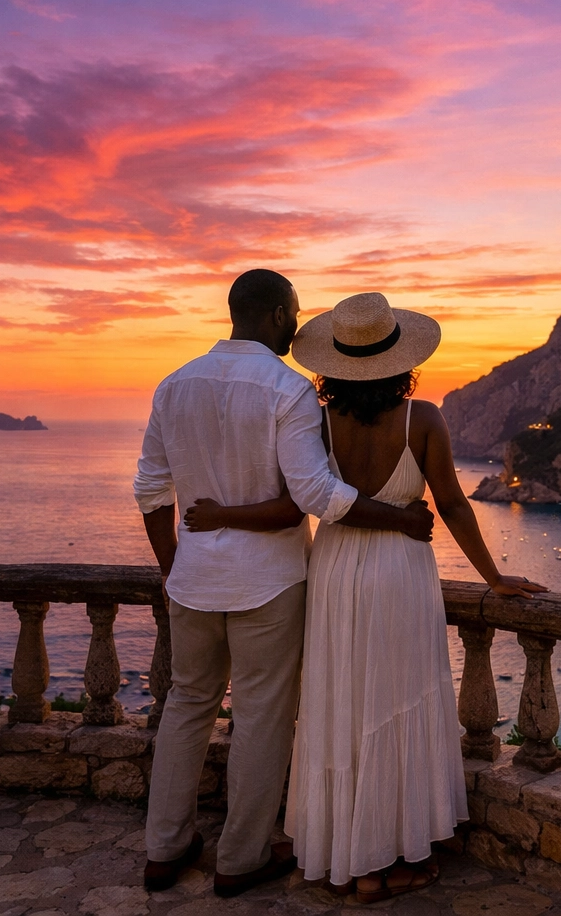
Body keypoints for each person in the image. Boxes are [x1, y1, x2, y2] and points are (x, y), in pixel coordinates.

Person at [182, 291, 546, 903]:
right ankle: (387, 858)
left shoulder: (317, 418)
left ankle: (346, 855)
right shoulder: (423, 418)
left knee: (341, 705)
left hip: (333, 568)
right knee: (397, 700)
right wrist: (494, 577)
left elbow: (301, 497)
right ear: (402, 360)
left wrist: (218, 515)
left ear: (335, 363)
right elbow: (453, 505)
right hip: (400, 569)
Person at [133, 271, 435, 898]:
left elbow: (151, 490)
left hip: (193, 582)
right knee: (261, 718)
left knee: (186, 707)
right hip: (268, 583)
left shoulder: (174, 384)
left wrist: (173, 566)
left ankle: (163, 849)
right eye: (294, 313)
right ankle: (240, 858)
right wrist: (401, 519)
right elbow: (314, 493)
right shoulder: (288, 389)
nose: (297, 325)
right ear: (275, 315)